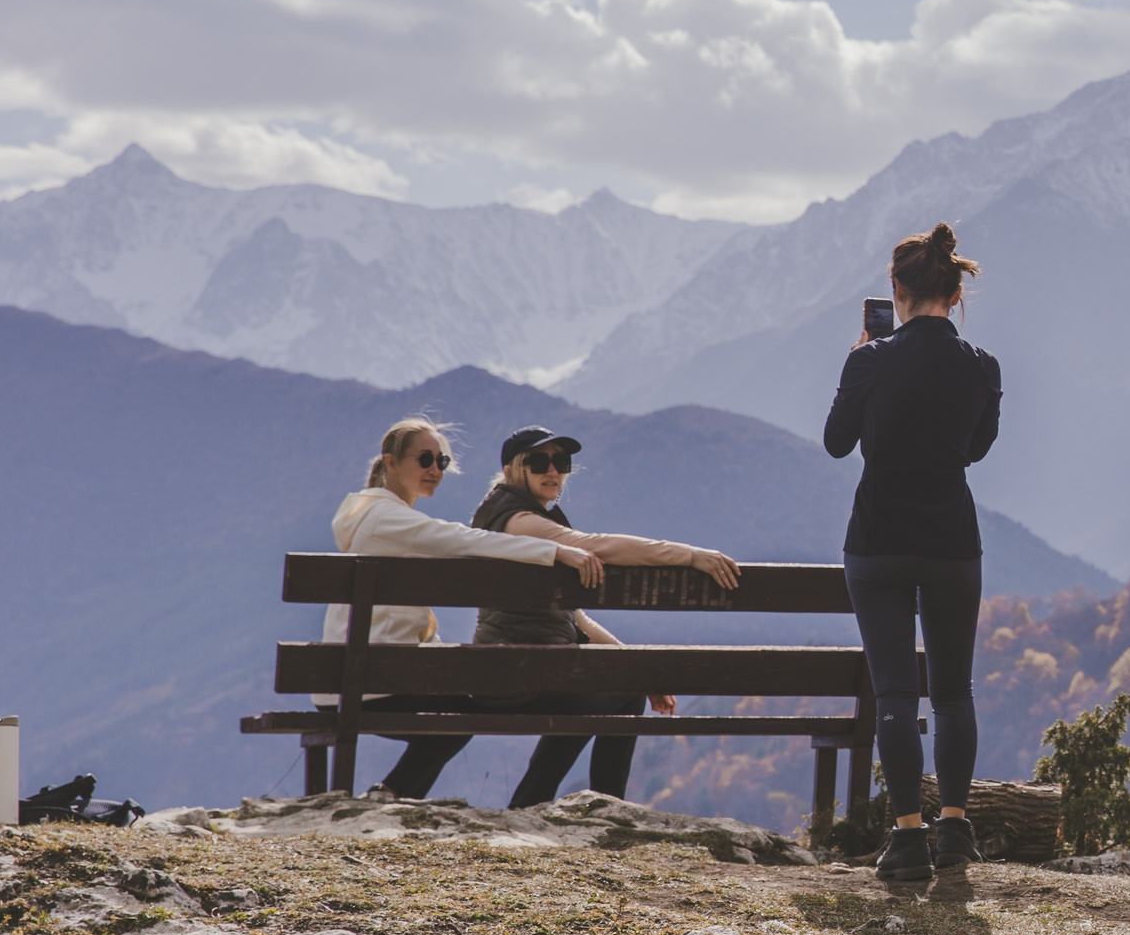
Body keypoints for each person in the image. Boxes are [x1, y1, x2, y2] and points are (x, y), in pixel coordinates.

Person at [410, 425, 745, 809]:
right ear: (510, 471)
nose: (552, 471)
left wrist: (638, 666)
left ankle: (536, 803)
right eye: (538, 462)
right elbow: (595, 546)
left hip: (521, 669)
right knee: (614, 693)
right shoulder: (517, 520)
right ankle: (603, 806)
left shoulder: (521, 514)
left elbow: (575, 620)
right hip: (516, 674)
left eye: (561, 462)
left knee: (602, 690)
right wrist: (689, 555)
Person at [824, 223, 1001, 883]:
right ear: (956, 294)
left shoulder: (870, 361)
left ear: (895, 289)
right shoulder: (982, 366)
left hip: (877, 539)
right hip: (952, 539)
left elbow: (839, 441)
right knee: (953, 691)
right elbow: (976, 447)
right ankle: (955, 825)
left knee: (896, 690)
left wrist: (862, 367)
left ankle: (907, 837)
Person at [319, 418, 602, 798]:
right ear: (390, 462)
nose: (435, 470)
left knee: (457, 716)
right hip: (370, 681)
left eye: (442, 461)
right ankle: (390, 796)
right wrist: (554, 551)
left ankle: (391, 795)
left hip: (348, 678)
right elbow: (462, 539)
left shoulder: (374, 514)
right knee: (459, 716)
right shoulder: (386, 517)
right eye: (424, 459)